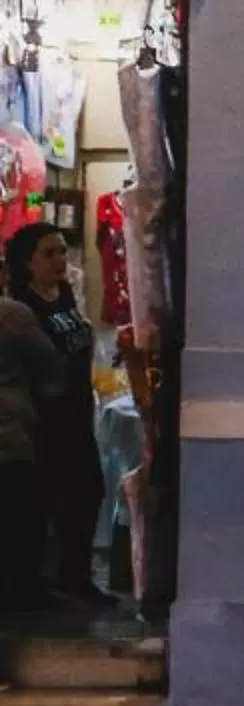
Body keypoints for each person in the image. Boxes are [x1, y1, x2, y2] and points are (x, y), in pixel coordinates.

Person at [3, 223, 99, 605]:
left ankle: (79, 577)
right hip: (47, 420)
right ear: (29, 262)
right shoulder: (24, 308)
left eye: (62, 251)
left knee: (88, 494)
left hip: (78, 412)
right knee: (52, 500)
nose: (60, 260)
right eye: (49, 253)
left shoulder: (65, 297)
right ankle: (48, 582)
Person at [0, 263, 59, 612]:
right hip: (9, 433)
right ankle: (21, 593)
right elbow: (50, 365)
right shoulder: (11, 314)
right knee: (19, 517)